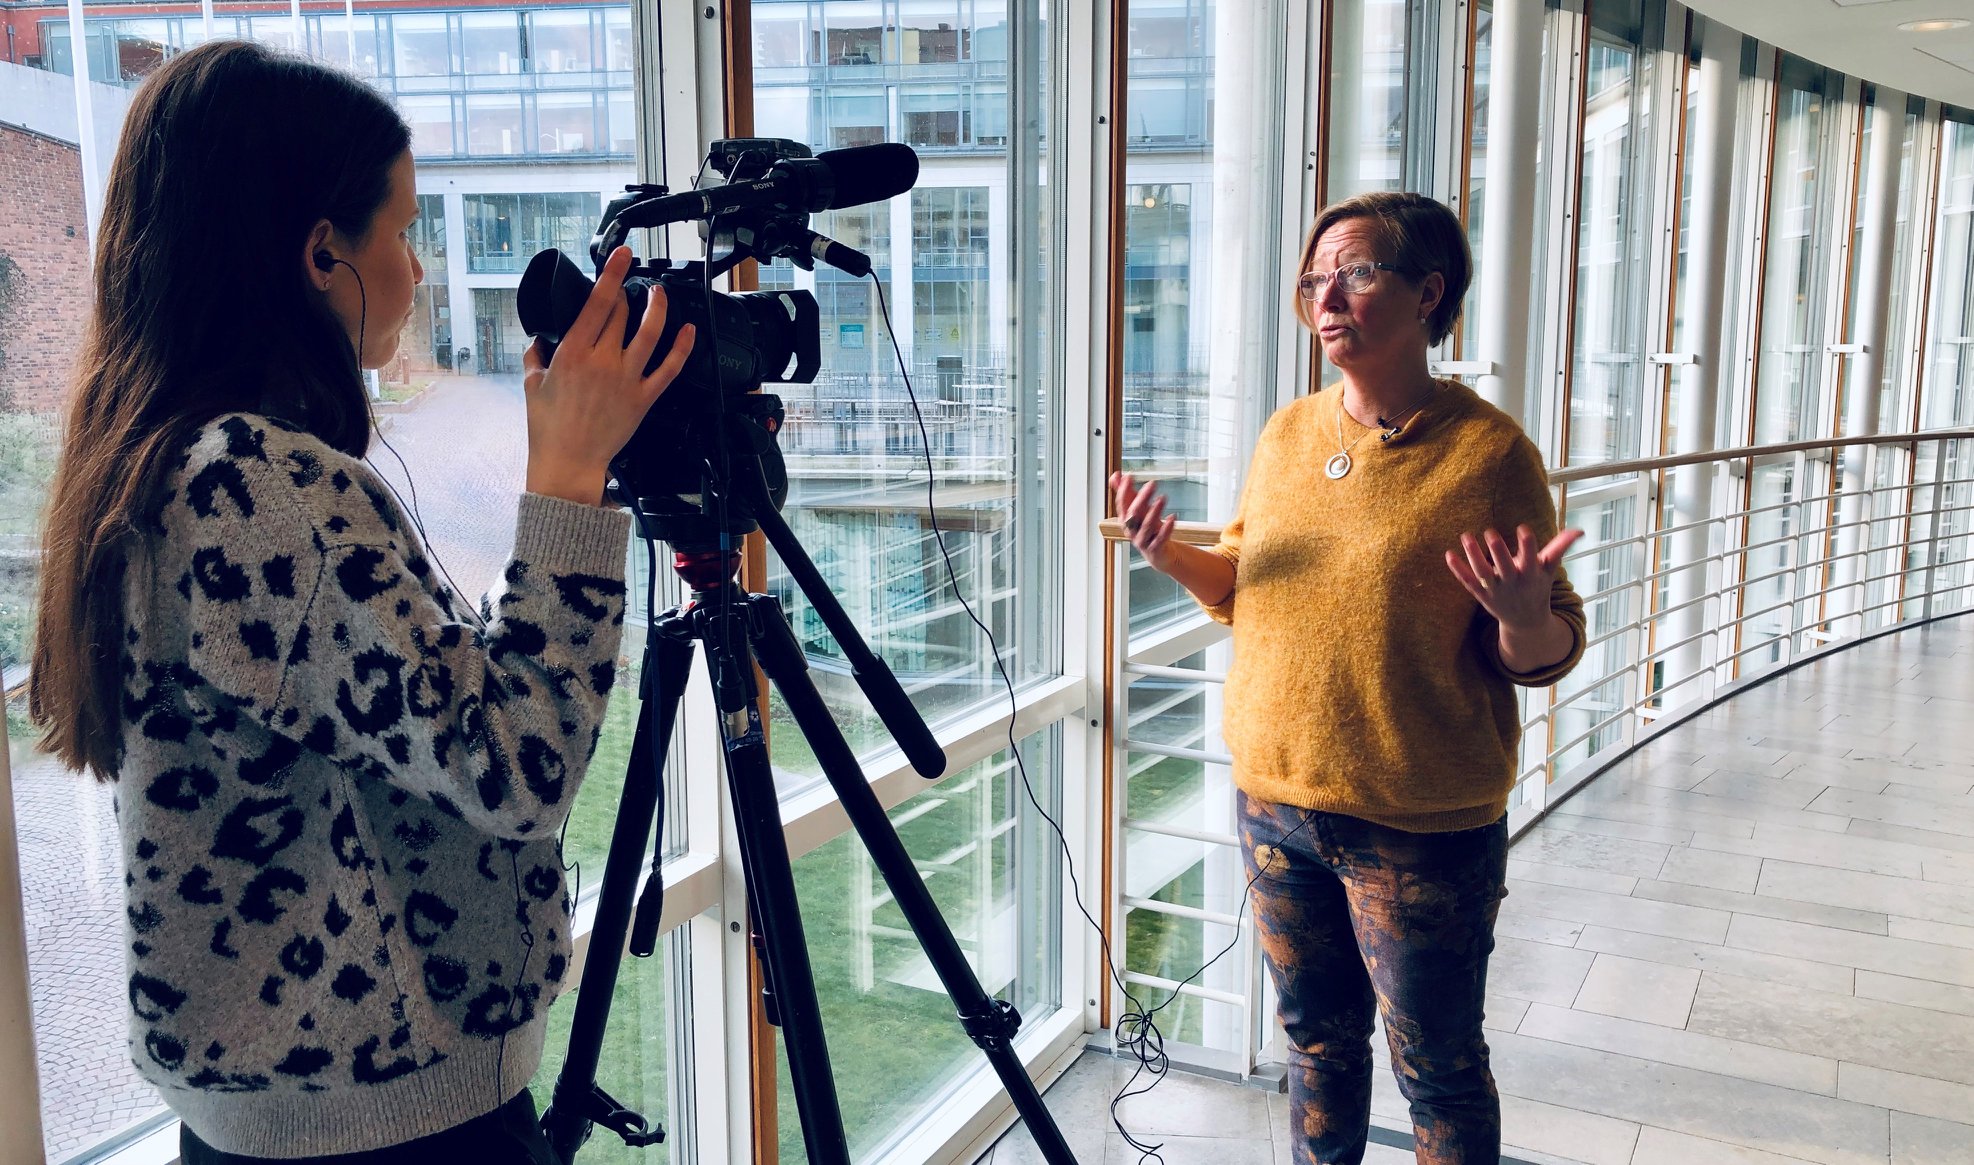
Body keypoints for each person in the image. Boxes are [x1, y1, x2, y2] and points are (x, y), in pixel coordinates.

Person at [27, 41, 694, 1163]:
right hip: (387, 1123)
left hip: (292, 1114)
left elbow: (401, 724)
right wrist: (570, 481)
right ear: (321, 253)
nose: (418, 272)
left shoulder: (170, 460)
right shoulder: (260, 488)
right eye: (403, 232)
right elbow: (515, 764)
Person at [1110, 191, 1586, 1165]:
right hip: (1277, 803)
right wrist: (1170, 557)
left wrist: (1522, 614)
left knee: (1438, 1067)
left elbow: (1548, 648)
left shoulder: (1489, 454)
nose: (1326, 298)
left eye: (1356, 273)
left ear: (1428, 293)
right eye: (1313, 280)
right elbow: (1244, 578)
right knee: (1317, 1045)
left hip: (1419, 823)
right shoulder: (1289, 433)